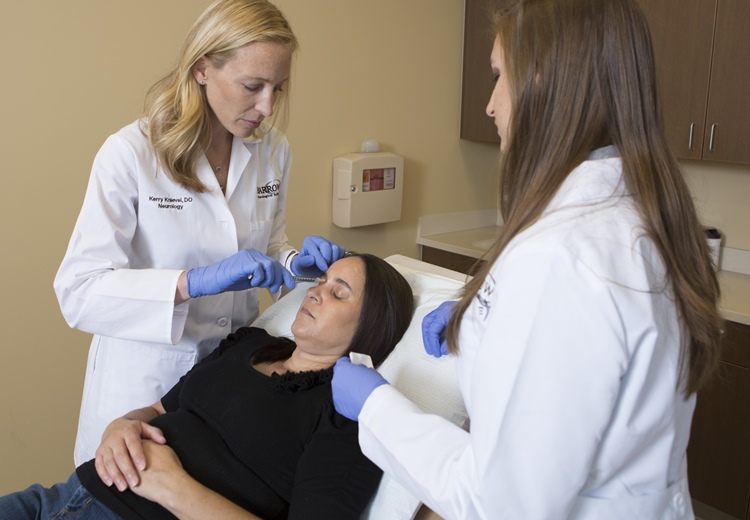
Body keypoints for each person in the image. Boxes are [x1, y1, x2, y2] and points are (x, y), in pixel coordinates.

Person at [331, 0, 724, 518]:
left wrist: (376, 408)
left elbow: (501, 502)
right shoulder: (637, 219)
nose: (491, 106)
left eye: (499, 76)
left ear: (543, 80)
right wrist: (482, 330)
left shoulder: (561, 258)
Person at [53, 0, 344, 466]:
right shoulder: (131, 154)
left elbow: (268, 241)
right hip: (144, 382)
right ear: (203, 68)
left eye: (277, 88)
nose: (266, 107)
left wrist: (293, 263)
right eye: (252, 86)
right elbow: (78, 291)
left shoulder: (273, 151)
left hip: (227, 385)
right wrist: (191, 283)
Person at [3, 253, 414, 519]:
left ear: (371, 327)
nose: (316, 293)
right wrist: (124, 424)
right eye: (321, 281)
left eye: (338, 293)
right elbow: (162, 410)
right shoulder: (250, 344)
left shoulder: (347, 416)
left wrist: (172, 485)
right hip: (66, 495)